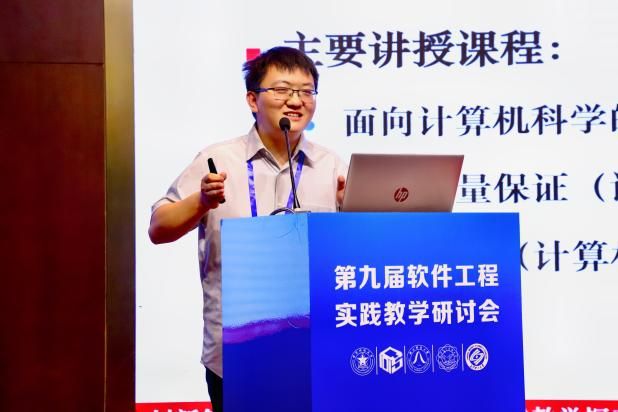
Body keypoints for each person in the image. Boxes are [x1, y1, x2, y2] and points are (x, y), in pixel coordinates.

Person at [148, 46, 347, 412]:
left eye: (306, 91)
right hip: (236, 353)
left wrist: (351, 210)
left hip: (314, 350)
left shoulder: (330, 165)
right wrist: (202, 201)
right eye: (283, 90)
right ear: (252, 100)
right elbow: (158, 228)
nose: (296, 101)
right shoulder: (218, 159)